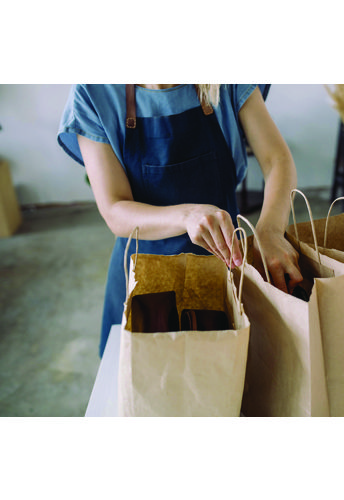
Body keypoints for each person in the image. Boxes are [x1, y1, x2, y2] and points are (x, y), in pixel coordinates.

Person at [58, 84, 303, 357]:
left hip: (226, 272)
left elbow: (276, 159)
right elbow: (115, 208)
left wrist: (269, 230)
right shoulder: (94, 92)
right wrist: (187, 215)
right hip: (144, 286)